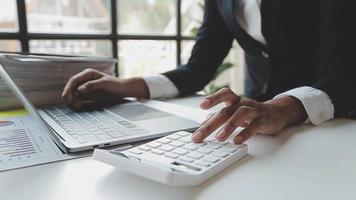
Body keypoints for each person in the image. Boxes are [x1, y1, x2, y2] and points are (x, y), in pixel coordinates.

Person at [61, 0, 356, 144]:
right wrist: (124, 85)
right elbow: (198, 69)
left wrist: (281, 108)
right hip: (260, 128)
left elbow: (343, 73)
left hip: (331, 123)